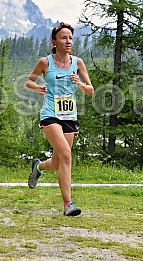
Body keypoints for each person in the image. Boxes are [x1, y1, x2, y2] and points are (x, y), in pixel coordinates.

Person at [25, 22, 94, 216]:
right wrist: (37, 87)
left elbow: (90, 90)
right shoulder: (45, 62)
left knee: (57, 162)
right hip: (50, 114)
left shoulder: (78, 63)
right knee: (66, 155)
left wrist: (80, 84)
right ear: (54, 42)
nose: (68, 41)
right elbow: (29, 80)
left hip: (69, 115)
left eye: (70, 38)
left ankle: (38, 166)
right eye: (64, 38)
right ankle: (68, 204)